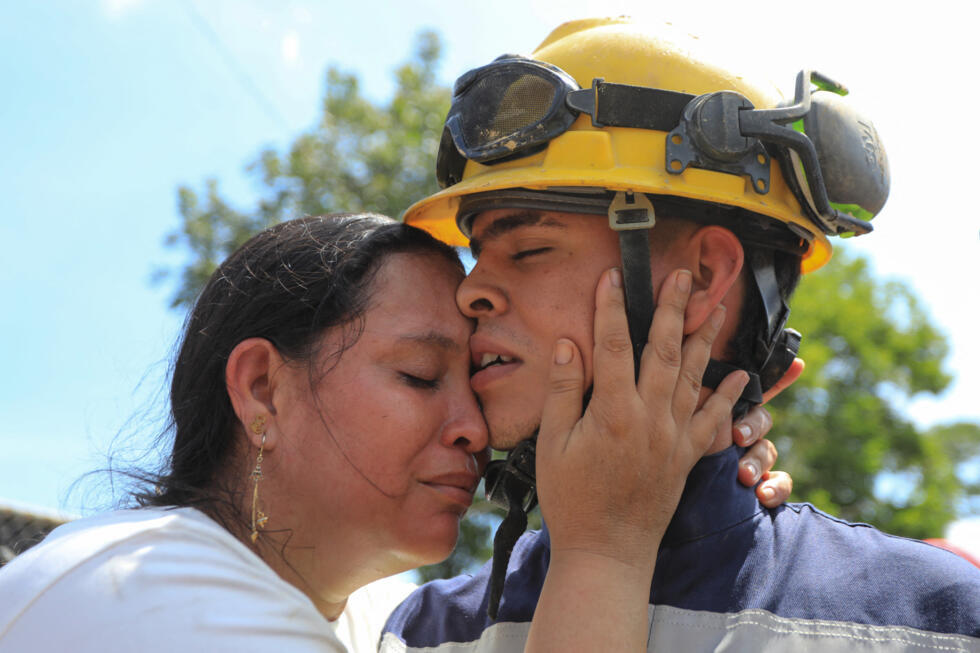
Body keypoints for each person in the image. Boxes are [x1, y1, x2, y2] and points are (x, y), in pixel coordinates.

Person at [381, 17, 980, 652]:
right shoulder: (420, 633)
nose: (470, 291)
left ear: (700, 278)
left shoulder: (936, 620)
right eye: (476, 255)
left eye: (528, 248)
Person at [0, 213, 782, 652]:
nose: (475, 428)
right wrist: (607, 543)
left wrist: (693, 467)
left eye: (477, 376)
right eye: (418, 375)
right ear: (262, 389)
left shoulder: (382, 614)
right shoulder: (138, 598)